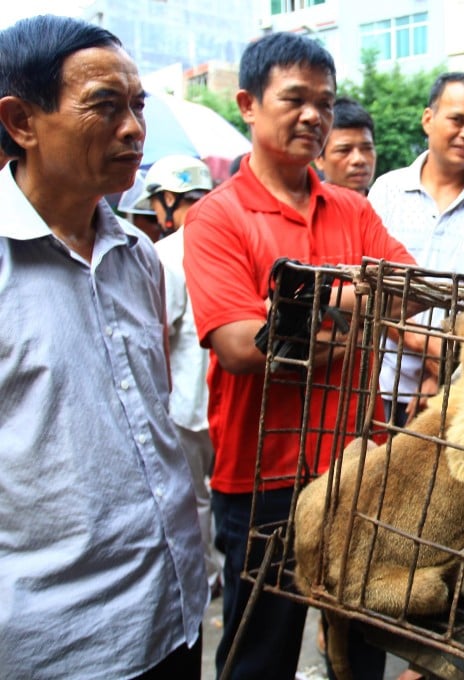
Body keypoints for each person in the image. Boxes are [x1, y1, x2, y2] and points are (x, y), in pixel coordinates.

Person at [182, 31, 414, 680]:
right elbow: (236, 343)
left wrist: (298, 310)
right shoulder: (217, 218)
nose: (314, 116)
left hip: (356, 465)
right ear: (249, 105)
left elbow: (408, 292)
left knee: (360, 647)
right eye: (296, 99)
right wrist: (350, 299)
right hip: (263, 474)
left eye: (327, 103)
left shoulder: (353, 210)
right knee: (261, 652)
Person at [0, 14, 206, 678]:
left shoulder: (138, 255)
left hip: (173, 611)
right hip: (61, 639)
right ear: (20, 121)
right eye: (105, 107)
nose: (133, 129)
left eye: (138, 106)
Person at [368, 71, 464, 426]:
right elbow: (373, 289)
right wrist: (426, 350)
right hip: (379, 384)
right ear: (428, 119)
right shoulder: (387, 191)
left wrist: (443, 373)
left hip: (459, 393)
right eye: (457, 119)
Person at [134, 154, 222, 597]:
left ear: (168, 199)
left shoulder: (166, 253)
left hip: (187, 403)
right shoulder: (227, 241)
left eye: (155, 203)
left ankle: (206, 578)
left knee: (195, 499)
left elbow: (158, 334)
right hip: (226, 399)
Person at [315, 95, 376, 194]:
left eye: (367, 148)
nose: (358, 159)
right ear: (319, 159)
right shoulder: (299, 207)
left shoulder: (389, 205)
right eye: (344, 150)